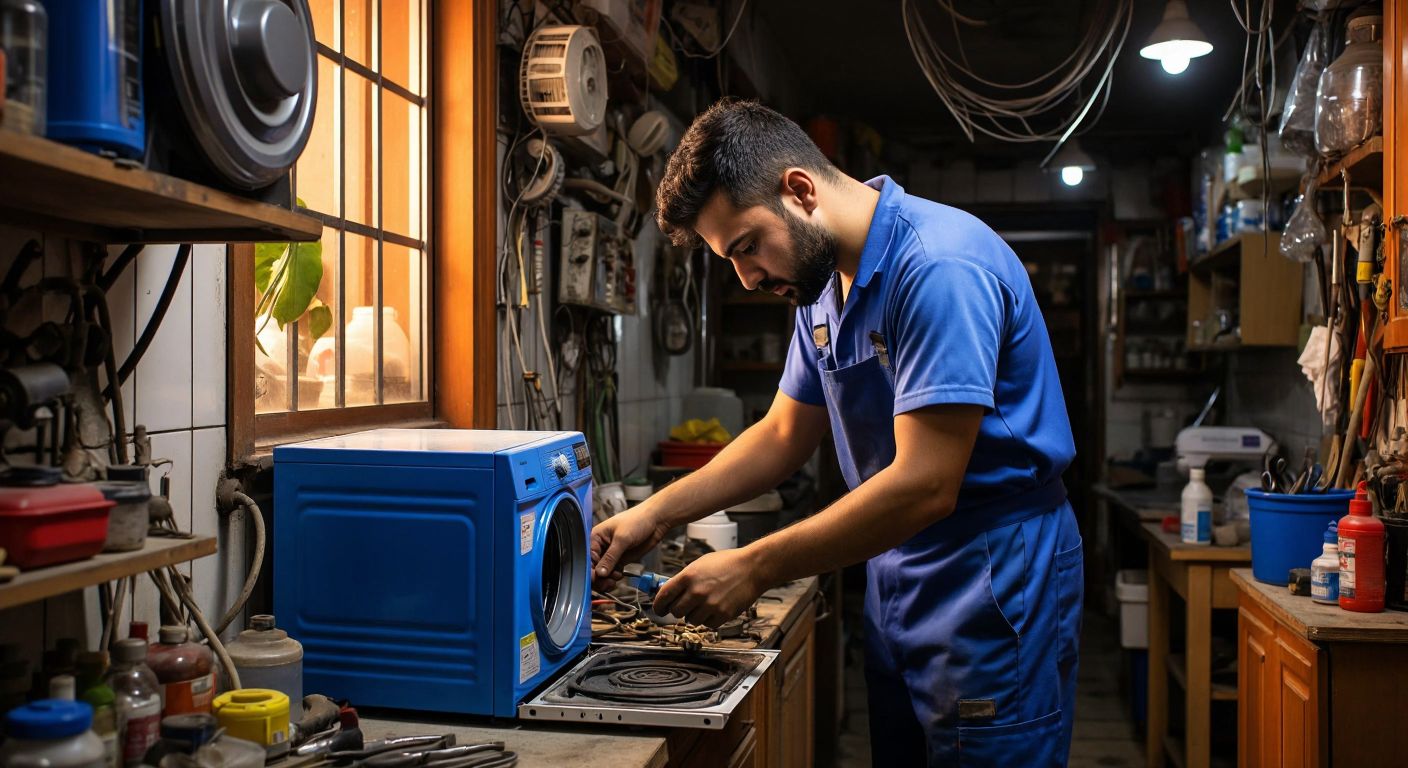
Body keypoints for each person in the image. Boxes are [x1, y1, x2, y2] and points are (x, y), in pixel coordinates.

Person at [591, 98, 1082, 766]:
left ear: (800, 191)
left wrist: (755, 565)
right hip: (898, 569)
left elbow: (927, 484)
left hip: (991, 569)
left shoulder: (937, 267)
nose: (748, 277)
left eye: (746, 248)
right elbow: (784, 431)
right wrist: (654, 514)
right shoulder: (821, 282)